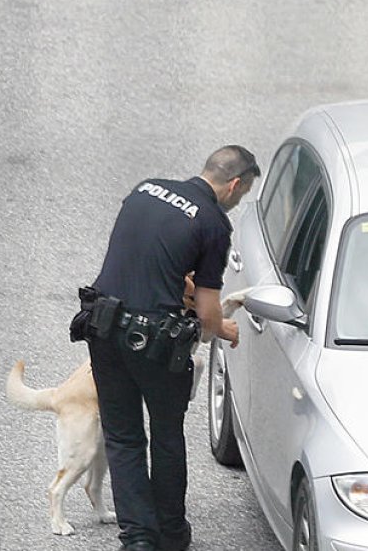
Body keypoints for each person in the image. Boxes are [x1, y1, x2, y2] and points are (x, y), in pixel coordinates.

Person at [86, 145, 260, 551]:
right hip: (156, 344)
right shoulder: (214, 223)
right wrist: (226, 329)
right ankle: (171, 534)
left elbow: (147, 259)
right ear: (234, 184)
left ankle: (138, 539)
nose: (237, 203)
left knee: (124, 437)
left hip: (104, 327)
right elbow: (207, 310)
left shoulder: (146, 189)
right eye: (242, 195)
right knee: (166, 436)